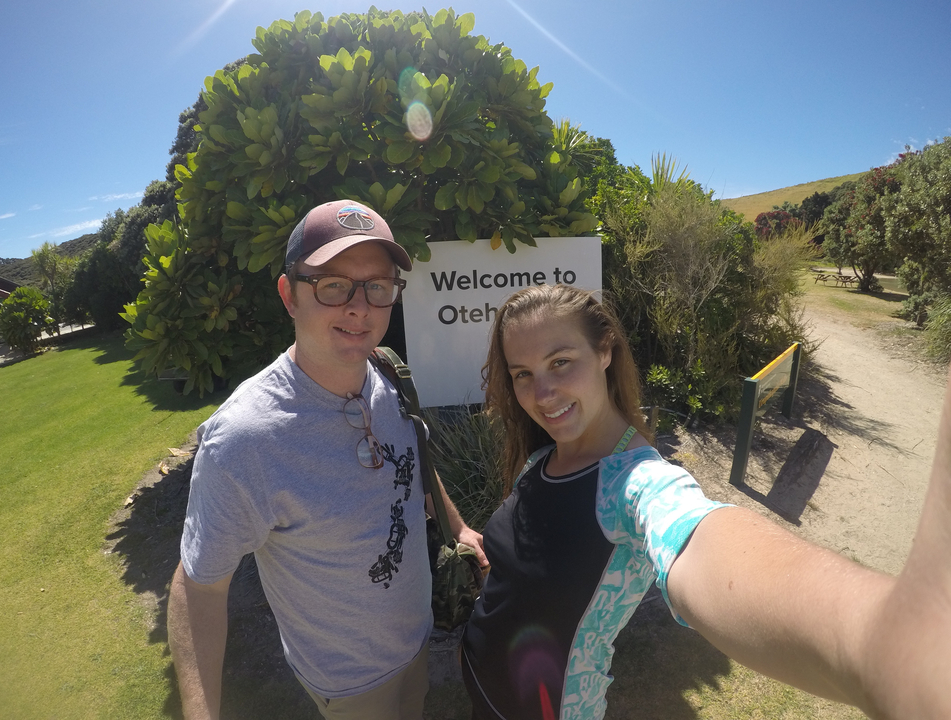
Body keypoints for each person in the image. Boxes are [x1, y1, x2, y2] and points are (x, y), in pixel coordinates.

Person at [461, 283, 951, 720]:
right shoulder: (542, 458)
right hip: (480, 686)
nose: (542, 393)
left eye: (560, 362)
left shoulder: (634, 485)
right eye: (522, 374)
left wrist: (883, 650)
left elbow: (698, 540)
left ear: (605, 350)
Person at [166, 199, 487, 720]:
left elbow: (415, 457)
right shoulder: (244, 442)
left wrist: (458, 526)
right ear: (289, 295)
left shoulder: (387, 371)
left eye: (377, 286)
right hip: (348, 682)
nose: (360, 308)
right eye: (333, 285)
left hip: (416, 640)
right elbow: (198, 585)